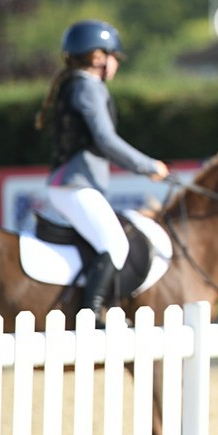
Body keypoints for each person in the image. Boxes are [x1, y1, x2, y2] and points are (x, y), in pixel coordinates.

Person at [34, 20, 169, 323]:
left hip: (70, 184)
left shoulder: (75, 85)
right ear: (98, 57)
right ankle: (92, 316)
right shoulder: (88, 87)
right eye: (114, 57)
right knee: (116, 244)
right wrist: (147, 166)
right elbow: (105, 139)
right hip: (75, 185)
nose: (116, 64)